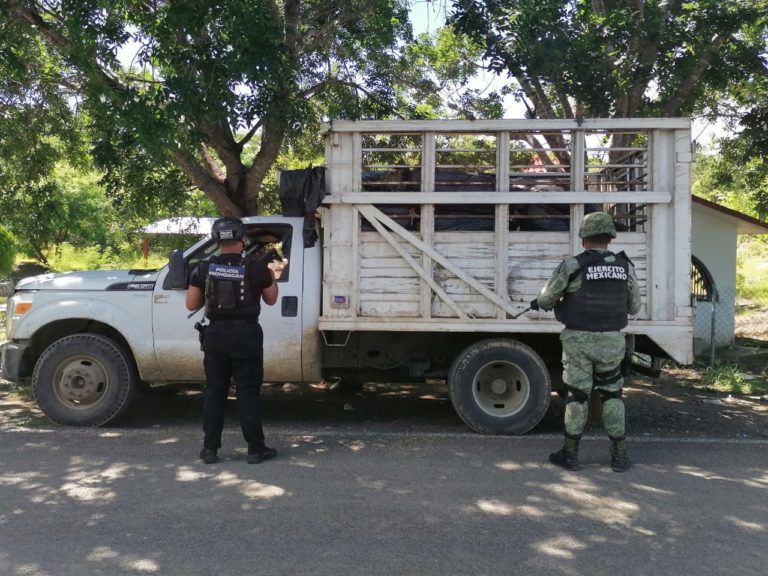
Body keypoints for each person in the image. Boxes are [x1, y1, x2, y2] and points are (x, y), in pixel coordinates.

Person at [531, 212, 641, 472]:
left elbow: (547, 300)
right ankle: (620, 456)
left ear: (584, 238)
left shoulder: (572, 265)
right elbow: (634, 306)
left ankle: (570, 455)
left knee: (578, 397)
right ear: (610, 238)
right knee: (612, 395)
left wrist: (543, 301)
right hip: (612, 341)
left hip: (578, 341)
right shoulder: (626, 266)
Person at [186, 216, 279, 464]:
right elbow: (271, 299)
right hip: (247, 336)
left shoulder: (203, 268)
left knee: (215, 391)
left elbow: (191, 304)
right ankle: (256, 450)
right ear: (242, 238)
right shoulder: (258, 268)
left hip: (215, 336)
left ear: (217, 240)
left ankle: (210, 450)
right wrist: (272, 276)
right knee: (248, 392)